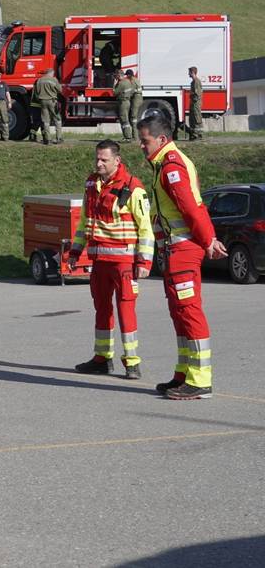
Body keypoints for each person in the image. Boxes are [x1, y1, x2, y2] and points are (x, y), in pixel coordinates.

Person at [137, 111, 225, 399]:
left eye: (145, 141)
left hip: (184, 249)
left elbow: (190, 207)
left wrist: (208, 239)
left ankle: (200, 380)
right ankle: (184, 374)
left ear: (161, 139)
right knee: (179, 313)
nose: (141, 146)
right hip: (176, 249)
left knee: (189, 311)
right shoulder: (165, 163)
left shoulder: (171, 166)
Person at [67, 141, 154, 379]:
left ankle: (132, 362)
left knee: (126, 310)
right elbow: (85, 222)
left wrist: (144, 262)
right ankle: (102, 358)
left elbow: (145, 227)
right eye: (97, 159)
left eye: (104, 160)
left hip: (124, 262)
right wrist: (75, 252)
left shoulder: (133, 188)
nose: (98, 163)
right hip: (99, 261)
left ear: (117, 160)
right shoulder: (91, 184)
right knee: (101, 309)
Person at [32, 67, 63, 145]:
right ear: (51, 73)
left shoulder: (39, 80)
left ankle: (47, 139)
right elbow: (60, 90)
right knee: (57, 118)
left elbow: (36, 94)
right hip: (52, 101)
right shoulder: (53, 80)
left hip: (42, 102)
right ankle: (59, 138)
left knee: (45, 121)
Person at [185, 66, 204, 140]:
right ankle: (194, 134)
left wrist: (192, 96)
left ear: (192, 72)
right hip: (193, 103)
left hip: (195, 103)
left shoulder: (196, 81)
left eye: (189, 72)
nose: (188, 74)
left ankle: (198, 134)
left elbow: (197, 94)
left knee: (197, 118)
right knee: (192, 118)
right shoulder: (193, 82)